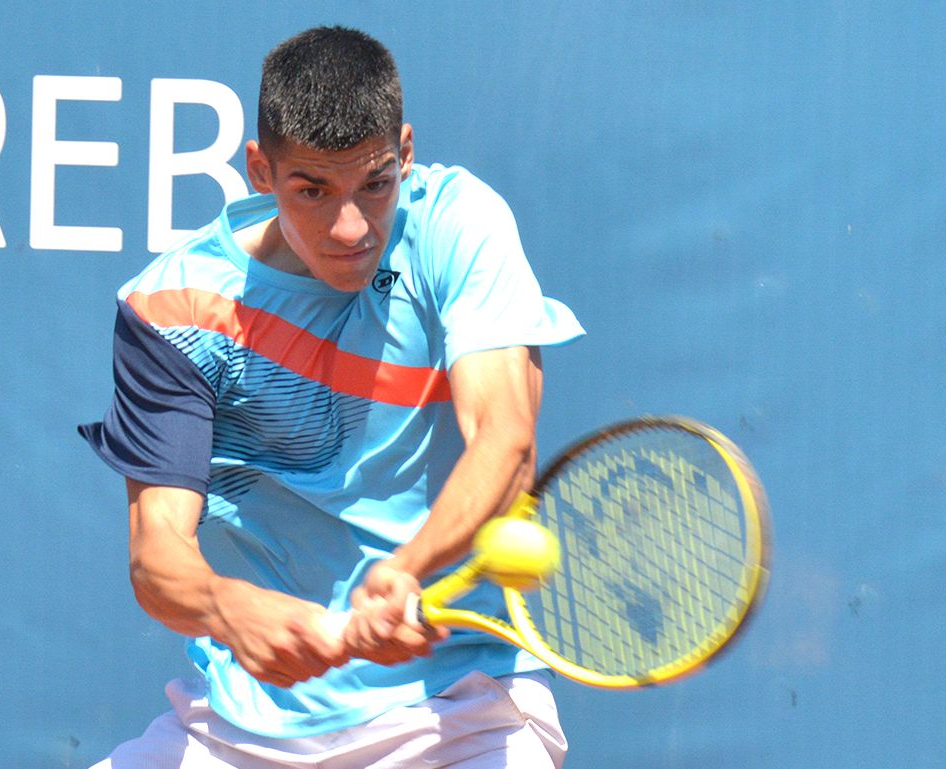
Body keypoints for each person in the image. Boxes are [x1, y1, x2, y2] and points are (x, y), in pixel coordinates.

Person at [79, 25, 584, 769]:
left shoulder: (457, 223)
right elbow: (158, 555)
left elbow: (505, 443)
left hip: (459, 716)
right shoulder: (176, 306)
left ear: (406, 152)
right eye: (312, 190)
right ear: (260, 169)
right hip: (236, 728)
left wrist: (408, 568)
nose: (351, 226)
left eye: (375, 183)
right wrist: (229, 607)